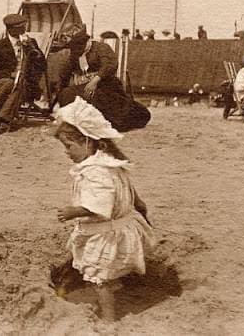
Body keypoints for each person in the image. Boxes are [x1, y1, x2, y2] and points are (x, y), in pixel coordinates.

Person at [51, 97, 154, 321]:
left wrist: (74, 211)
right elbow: (131, 193)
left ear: (88, 142)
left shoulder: (96, 171)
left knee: (99, 278)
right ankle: (68, 282)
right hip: (121, 226)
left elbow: (100, 203)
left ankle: (108, 318)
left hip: (105, 232)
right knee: (92, 260)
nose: (66, 152)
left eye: (69, 146)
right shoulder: (111, 162)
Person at [57, 32, 150, 132]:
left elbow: (109, 65)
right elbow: (65, 72)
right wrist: (61, 89)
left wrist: (95, 80)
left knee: (99, 98)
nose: (76, 51)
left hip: (106, 83)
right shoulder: (76, 52)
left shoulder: (101, 48)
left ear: (86, 42)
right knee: (67, 93)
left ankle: (102, 121)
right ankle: (79, 121)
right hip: (85, 85)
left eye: (79, 48)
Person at [0, 14, 46, 135]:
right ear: (10, 29)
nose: (24, 30)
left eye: (24, 26)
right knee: (10, 83)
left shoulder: (31, 43)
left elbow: (42, 65)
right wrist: (10, 74)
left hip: (26, 84)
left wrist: (32, 49)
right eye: (20, 28)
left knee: (18, 84)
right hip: (2, 82)